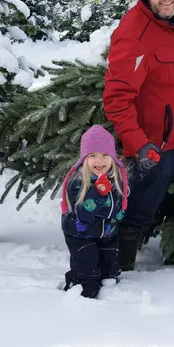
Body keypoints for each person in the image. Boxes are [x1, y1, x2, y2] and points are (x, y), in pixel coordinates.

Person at [102, 0, 174, 271]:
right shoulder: (135, 34)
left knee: (169, 201)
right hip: (155, 145)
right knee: (140, 209)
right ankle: (118, 265)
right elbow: (117, 98)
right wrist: (138, 144)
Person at [60, 125, 129, 298]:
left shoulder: (116, 179)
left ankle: (108, 290)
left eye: (105, 155)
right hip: (80, 235)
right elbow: (84, 214)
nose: (99, 161)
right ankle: (78, 290)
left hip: (106, 233)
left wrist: (118, 216)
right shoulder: (77, 182)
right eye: (93, 156)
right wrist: (98, 192)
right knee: (87, 273)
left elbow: (119, 203)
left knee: (110, 271)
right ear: (84, 158)